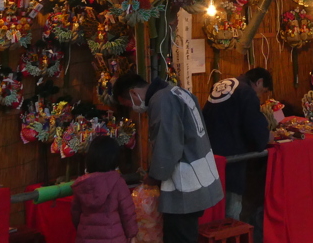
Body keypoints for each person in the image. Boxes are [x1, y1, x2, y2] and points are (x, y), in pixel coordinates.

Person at [115, 72, 223, 243]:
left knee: (180, 237)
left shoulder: (162, 101)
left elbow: (167, 147)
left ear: (133, 93)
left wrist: (152, 178)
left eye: (128, 104)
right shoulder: (176, 91)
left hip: (184, 187)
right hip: (199, 178)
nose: (133, 109)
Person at [202, 67, 272, 221]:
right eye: (263, 91)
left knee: (213, 206)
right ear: (259, 82)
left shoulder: (221, 84)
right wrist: (265, 138)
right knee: (231, 208)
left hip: (209, 153)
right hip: (232, 155)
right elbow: (254, 126)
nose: (260, 95)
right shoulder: (246, 92)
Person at [71, 134, 138, 243]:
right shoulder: (117, 182)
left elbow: (75, 214)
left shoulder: (82, 184)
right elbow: (127, 213)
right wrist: (132, 235)